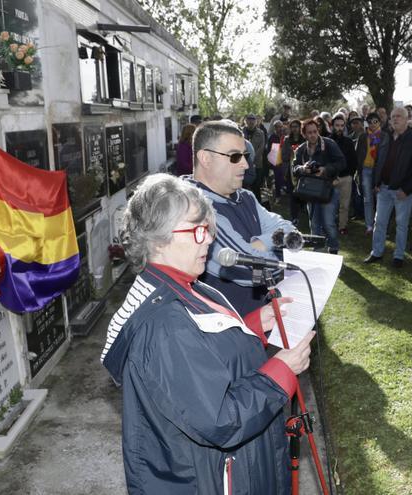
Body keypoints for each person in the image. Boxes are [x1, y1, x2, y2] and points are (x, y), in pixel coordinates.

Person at [102, 174, 314, 494]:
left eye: (209, 229)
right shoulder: (164, 325)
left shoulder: (187, 286)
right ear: (159, 238)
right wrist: (280, 372)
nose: (208, 241)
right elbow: (221, 420)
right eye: (198, 230)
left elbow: (205, 354)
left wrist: (254, 326)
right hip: (215, 479)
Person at [190, 120, 296, 315]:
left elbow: (290, 231)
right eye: (235, 156)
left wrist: (259, 244)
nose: (246, 164)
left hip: (264, 320)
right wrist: (276, 250)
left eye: (245, 156)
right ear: (205, 158)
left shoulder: (246, 196)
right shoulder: (193, 207)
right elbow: (252, 267)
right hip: (228, 331)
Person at [364, 107, 412, 267]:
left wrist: (408, 189)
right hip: (383, 188)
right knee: (380, 222)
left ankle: (398, 256)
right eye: (393, 117)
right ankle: (376, 252)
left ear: (406, 119)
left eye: (399, 116)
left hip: (402, 191)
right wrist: (376, 182)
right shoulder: (385, 136)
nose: (395, 119)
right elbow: (378, 160)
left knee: (402, 225)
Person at [293, 119, 345, 254]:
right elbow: (294, 169)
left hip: (328, 189)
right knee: (314, 224)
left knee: (328, 223)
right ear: (304, 134)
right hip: (310, 191)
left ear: (319, 131)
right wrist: (303, 169)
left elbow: (342, 163)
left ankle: (333, 248)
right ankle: (318, 251)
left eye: (315, 132)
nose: (312, 135)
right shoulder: (301, 149)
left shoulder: (329, 144)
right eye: (309, 133)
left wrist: (325, 169)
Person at [330, 114, 358, 236]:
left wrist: (350, 175)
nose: (339, 128)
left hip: (346, 177)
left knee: (344, 205)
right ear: (332, 126)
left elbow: (353, 160)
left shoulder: (348, 142)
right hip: (330, 178)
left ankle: (342, 226)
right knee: (330, 205)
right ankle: (329, 225)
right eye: (337, 125)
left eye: (342, 125)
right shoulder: (327, 140)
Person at [360, 112, 383, 234]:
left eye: (376, 121)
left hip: (378, 170)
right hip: (366, 169)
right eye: (370, 122)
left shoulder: (384, 136)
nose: (373, 124)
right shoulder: (363, 137)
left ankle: (379, 224)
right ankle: (369, 225)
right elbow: (359, 154)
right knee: (367, 198)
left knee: (380, 198)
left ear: (380, 122)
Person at [282, 119, 307, 226]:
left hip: (302, 170)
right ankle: (294, 216)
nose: (294, 128)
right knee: (292, 194)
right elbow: (283, 155)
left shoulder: (304, 139)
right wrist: (292, 153)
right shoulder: (287, 140)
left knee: (303, 193)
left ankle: (304, 211)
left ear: (300, 127)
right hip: (290, 170)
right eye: (292, 126)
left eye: (296, 126)